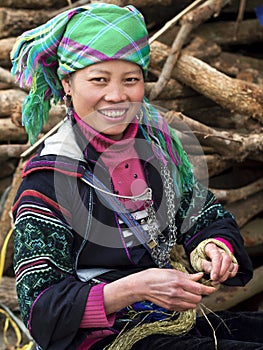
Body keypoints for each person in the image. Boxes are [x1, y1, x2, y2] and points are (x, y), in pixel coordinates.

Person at [10, 3, 263, 350]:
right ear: (67, 83)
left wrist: (215, 247)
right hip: (101, 340)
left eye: (131, 80)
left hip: (164, 322)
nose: (117, 96)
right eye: (98, 80)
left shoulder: (154, 149)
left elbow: (203, 215)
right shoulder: (48, 181)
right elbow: (42, 310)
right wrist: (134, 288)